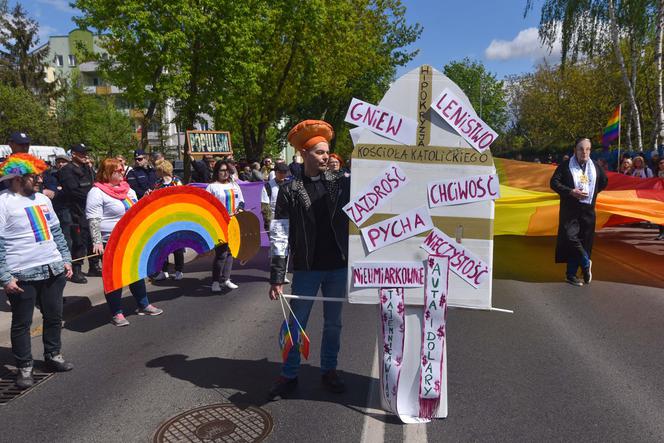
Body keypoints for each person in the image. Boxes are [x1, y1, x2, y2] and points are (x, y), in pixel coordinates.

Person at [267, 120, 350, 399]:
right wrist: (277, 275)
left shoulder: (340, 184)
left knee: (334, 324)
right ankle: (289, 373)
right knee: (296, 323)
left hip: (338, 266)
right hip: (307, 268)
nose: (326, 157)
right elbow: (279, 233)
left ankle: (329, 369)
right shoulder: (288, 190)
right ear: (303, 154)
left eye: (327, 152)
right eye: (319, 152)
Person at [0, 153, 75, 388]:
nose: (40, 180)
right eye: (35, 176)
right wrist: (4, 277)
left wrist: (66, 259)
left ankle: (53, 356)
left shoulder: (43, 200)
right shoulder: (3, 202)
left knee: (54, 316)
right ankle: (24, 367)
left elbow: (57, 231)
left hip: (53, 268)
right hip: (21, 274)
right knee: (22, 323)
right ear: (17, 178)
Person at [86, 158, 163, 326]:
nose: (122, 172)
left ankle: (143, 304)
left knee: (136, 272)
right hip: (110, 241)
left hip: (132, 239)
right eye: (118, 170)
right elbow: (93, 219)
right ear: (107, 173)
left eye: (122, 170)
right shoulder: (97, 192)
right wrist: (97, 241)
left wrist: (145, 200)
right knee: (114, 277)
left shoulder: (128, 190)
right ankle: (116, 313)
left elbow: (135, 211)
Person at [550, 137, 608, 286]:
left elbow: (603, 182)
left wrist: (592, 193)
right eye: (581, 149)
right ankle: (585, 261)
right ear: (575, 150)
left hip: (588, 210)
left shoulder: (595, 167)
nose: (585, 152)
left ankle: (571, 275)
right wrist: (570, 192)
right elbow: (554, 183)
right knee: (570, 237)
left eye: (588, 149)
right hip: (570, 210)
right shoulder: (565, 166)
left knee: (584, 241)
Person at [58, 143, 101, 283]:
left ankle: (94, 266)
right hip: (76, 210)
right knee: (79, 241)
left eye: (85, 153)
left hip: (89, 209)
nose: (85, 156)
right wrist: (92, 197)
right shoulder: (67, 170)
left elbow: (95, 183)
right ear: (74, 154)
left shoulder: (87, 168)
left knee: (92, 238)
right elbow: (72, 191)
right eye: (82, 153)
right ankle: (76, 270)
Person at [206, 159, 244, 293]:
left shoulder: (234, 185)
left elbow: (241, 201)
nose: (225, 173)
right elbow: (207, 206)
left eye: (227, 170)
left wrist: (239, 210)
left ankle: (226, 279)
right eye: (222, 170)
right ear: (217, 171)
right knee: (221, 253)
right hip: (219, 224)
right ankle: (215, 281)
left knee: (231, 252)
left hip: (234, 222)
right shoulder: (211, 187)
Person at [152, 159, 185, 281]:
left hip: (175, 218)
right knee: (163, 246)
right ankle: (163, 270)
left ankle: (179, 270)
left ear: (162, 170)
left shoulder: (176, 182)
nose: (156, 172)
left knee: (177, 246)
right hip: (162, 219)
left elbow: (182, 198)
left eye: (158, 170)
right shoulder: (158, 184)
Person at [43, 155, 72, 252]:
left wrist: (60, 190)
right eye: (58, 162)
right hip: (57, 208)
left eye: (63, 162)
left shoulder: (73, 174)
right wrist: (58, 190)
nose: (60, 164)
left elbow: (72, 190)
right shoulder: (51, 175)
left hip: (70, 208)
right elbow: (51, 191)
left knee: (70, 236)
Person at [261, 162, 290, 231]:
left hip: (289, 219)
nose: (282, 174)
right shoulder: (268, 186)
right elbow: (265, 206)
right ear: (275, 172)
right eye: (280, 172)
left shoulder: (291, 184)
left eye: (284, 172)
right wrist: (270, 222)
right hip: (274, 219)